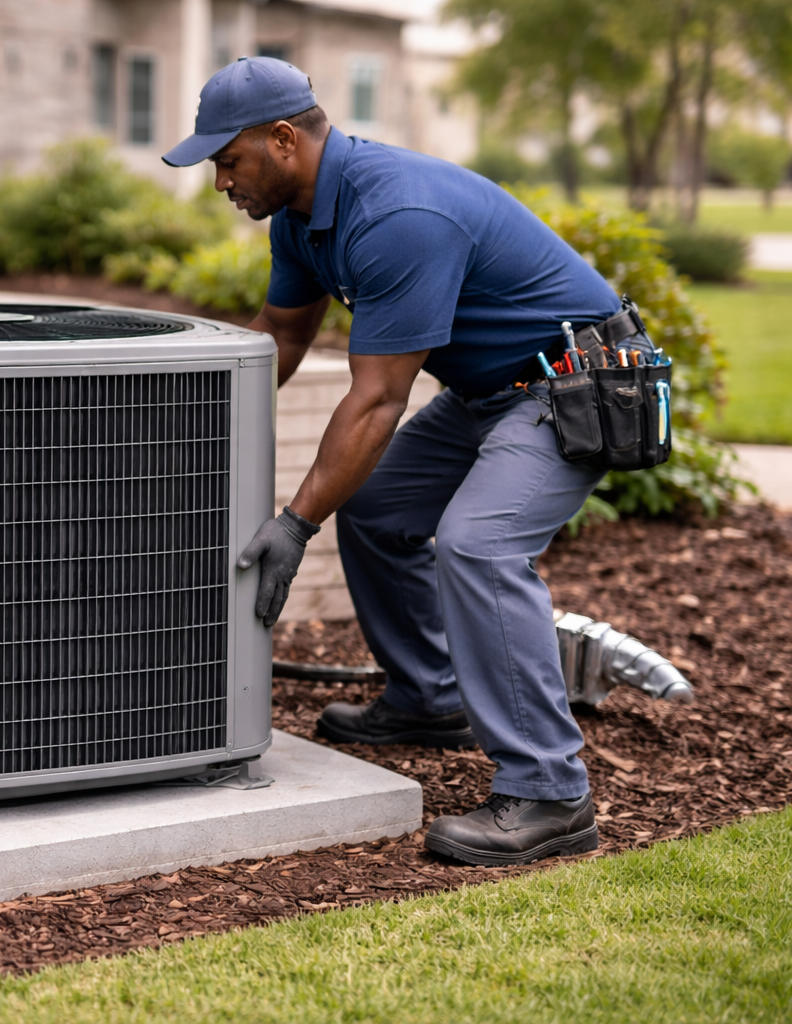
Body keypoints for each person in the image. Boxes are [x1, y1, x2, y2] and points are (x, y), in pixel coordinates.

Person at [164, 57, 636, 866]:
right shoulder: (302, 220)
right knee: (380, 508)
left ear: (283, 140)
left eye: (227, 159)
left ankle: (552, 793)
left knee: (480, 546)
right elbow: (278, 338)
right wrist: (190, 443)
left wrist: (293, 523)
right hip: (494, 389)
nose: (220, 181)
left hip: (576, 384)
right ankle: (430, 697)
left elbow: (378, 401)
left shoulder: (397, 215)